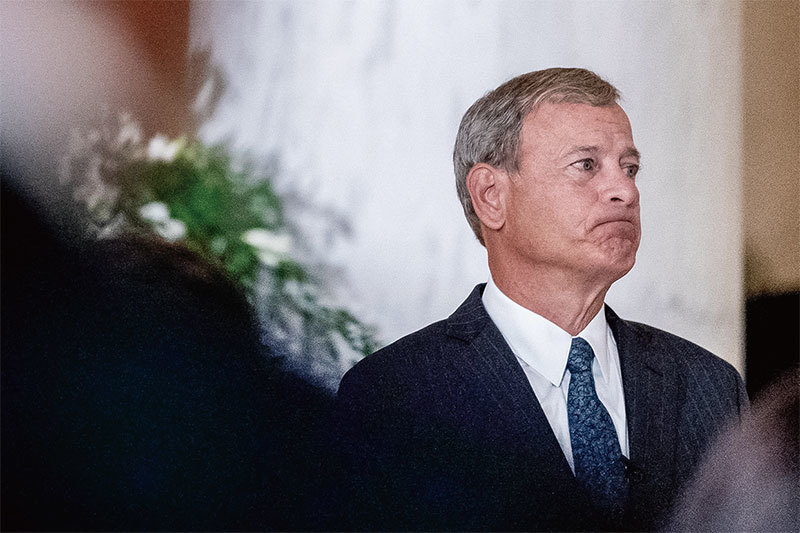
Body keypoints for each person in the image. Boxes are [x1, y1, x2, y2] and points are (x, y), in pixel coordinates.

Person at [331, 68, 748, 531]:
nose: (625, 191)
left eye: (629, 169)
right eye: (586, 165)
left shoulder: (711, 387)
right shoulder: (395, 395)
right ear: (491, 196)